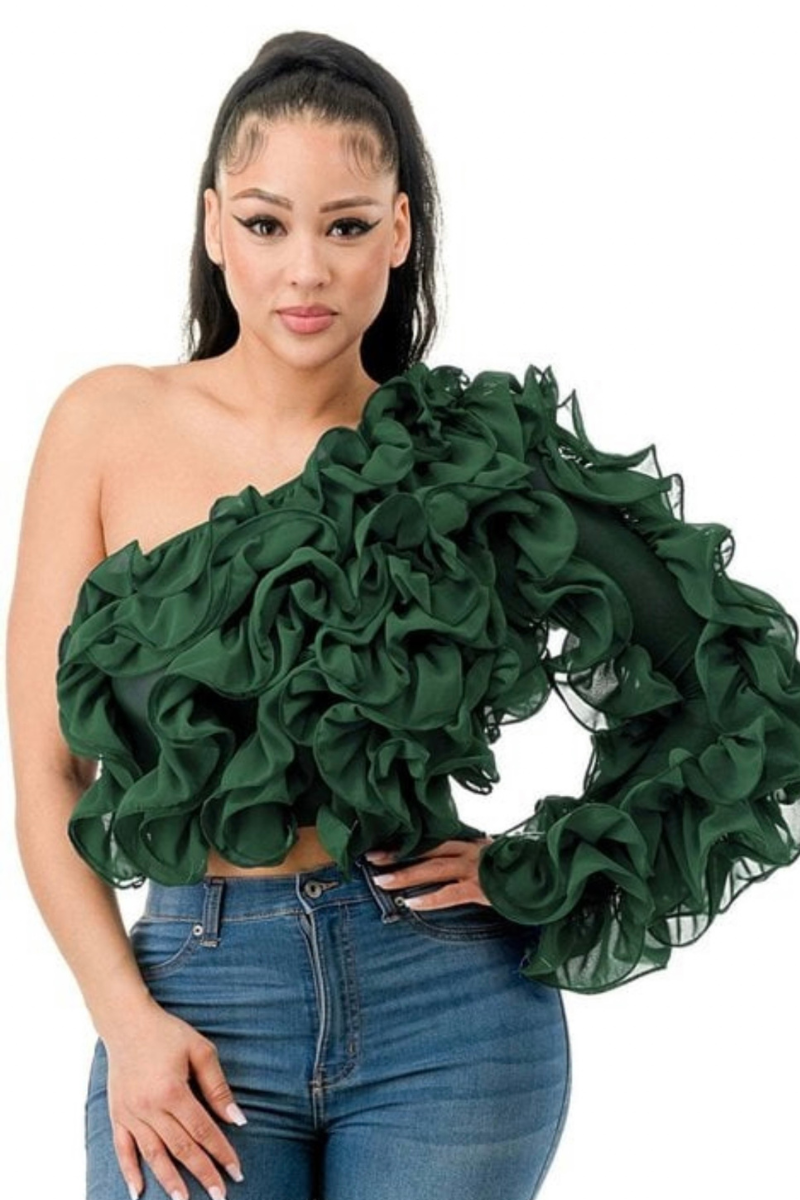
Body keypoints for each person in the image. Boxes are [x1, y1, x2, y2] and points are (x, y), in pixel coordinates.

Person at [7, 27, 800, 1200]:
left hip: (449, 1019)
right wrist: (124, 1022)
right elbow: (44, 775)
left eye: (344, 227)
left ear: (398, 231)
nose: (304, 272)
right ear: (214, 224)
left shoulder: (465, 459)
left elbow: (734, 686)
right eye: (266, 224)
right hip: (191, 998)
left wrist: (537, 864)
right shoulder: (103, 424)